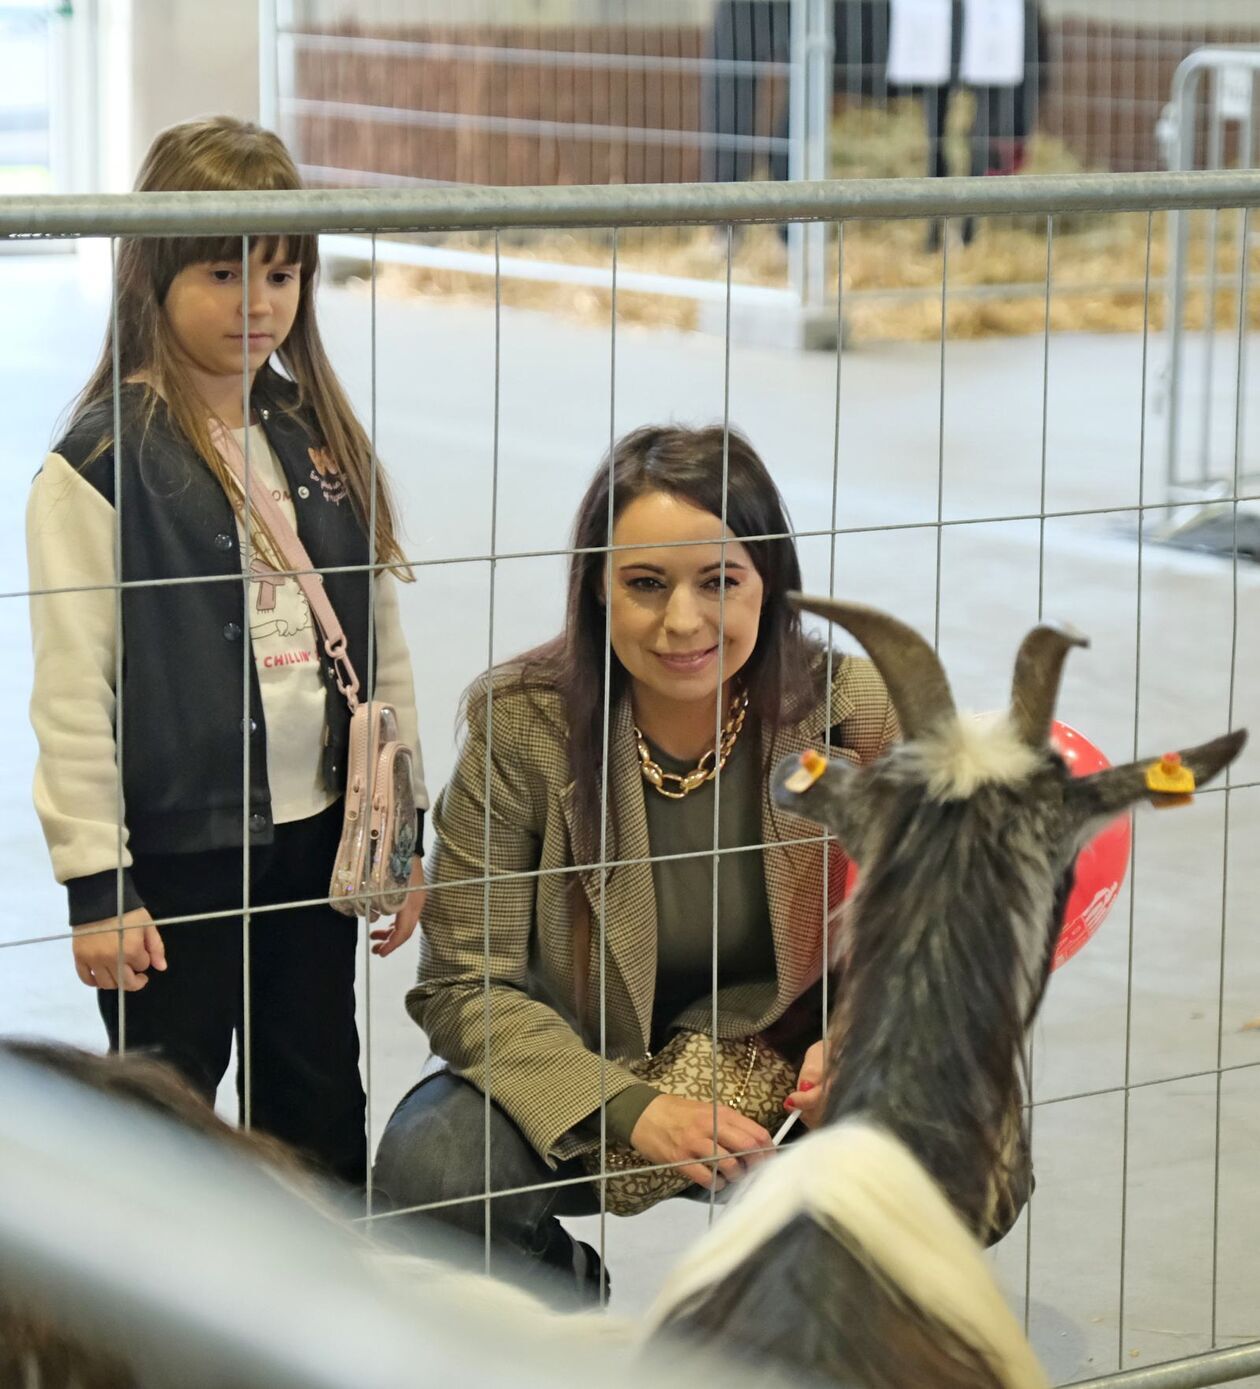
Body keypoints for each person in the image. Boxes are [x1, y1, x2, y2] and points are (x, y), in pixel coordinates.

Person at [373, 425, 899, 1298]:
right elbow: (463, 983)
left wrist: (857, 1035)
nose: (682, 621)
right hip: (586, 1063)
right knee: (433, 1173)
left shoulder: (853, 711)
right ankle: (570, 1304)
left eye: (720, 582)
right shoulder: (523, 726)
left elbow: (925, 924)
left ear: (771, 586)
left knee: (962, 1128)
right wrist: (637, 1110)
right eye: (645, 584)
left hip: (787, 1057)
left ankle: (831, 1326)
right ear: (595, 590)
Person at [25, 116, 428, 1188]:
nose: (259, 304)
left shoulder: (321, 441)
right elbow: (73, 693)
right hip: (173, 867)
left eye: (284, 274)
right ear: (152, 272)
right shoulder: (98, 468)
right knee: (164, 1139)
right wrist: (96, 885)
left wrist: (406, 827)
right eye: (223, 271)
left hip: (314, 855)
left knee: (319, 1115)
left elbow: (381, 651)